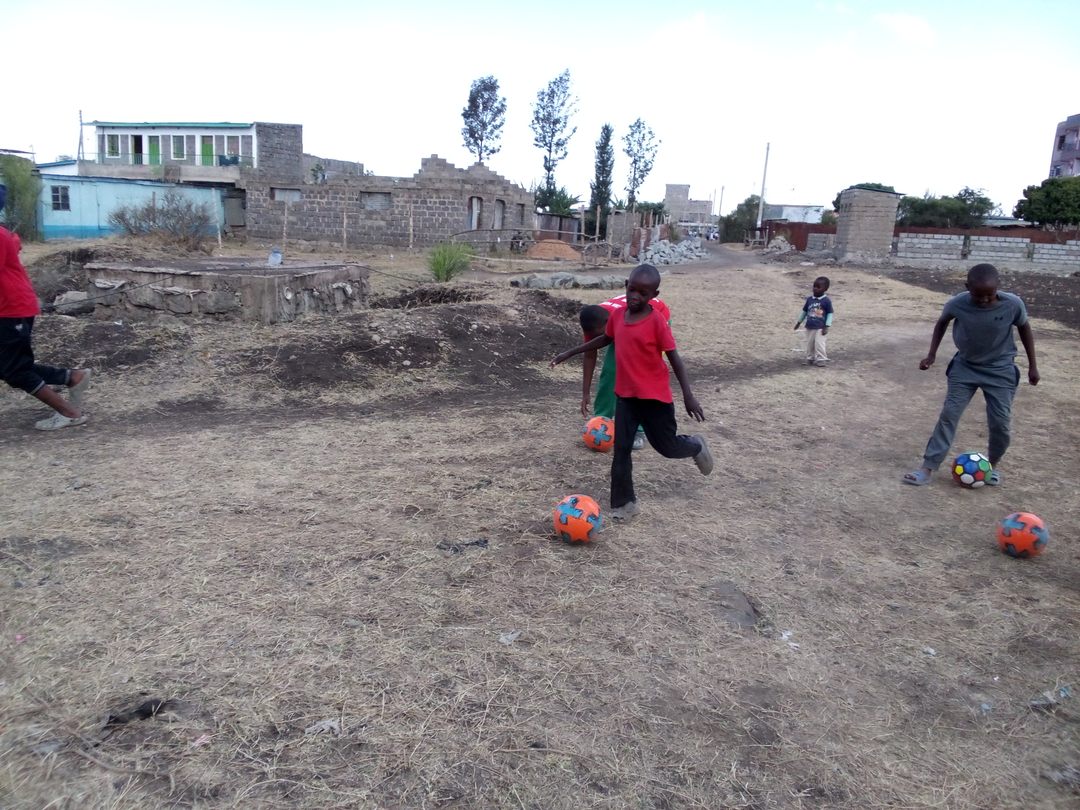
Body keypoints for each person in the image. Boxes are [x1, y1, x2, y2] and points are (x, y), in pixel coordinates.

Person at [551, 264, 713, 520]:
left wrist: (688, 396)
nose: (635, 296)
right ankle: (624, 504)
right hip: (626, 397)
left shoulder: (657, 322)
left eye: (643, 293)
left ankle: (695, 445)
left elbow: (675, 359)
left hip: (655, 399)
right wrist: (570, 352)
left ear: (653, 295)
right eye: (632, 290)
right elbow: (605, 339)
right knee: (621, 451)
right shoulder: (617, 316)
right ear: (626, 286)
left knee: (667, 447)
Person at [903, 263, 1039, 486]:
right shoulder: (957, 303)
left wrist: (1033, 366)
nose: (984, 300)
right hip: (965, 368)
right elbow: (941, 323)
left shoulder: (1013, 304)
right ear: (967, 287)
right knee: (949, 415)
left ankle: (991, 466)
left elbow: (1025, 328)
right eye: (978, 295)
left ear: (998, 286)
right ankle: (927, 468)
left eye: (990, 295)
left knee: (1000, 423)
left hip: (1000, 370)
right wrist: (931, 355)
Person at [0, 183, 91, 430]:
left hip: (10, 309)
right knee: (9, 366)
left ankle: (70, 413)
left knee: (15, 371)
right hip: (10, 307)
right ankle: (72, 377)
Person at [578, 291, 671, 450]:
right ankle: (602, 419)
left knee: (639, 376)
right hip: (622, 324)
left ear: (608, 322)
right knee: (610, 371)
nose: (598, 339)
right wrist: (585, 393)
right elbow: (589, 356)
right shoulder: (594, 322)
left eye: (600, 335)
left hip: (655, 322)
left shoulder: (629, 318)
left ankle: (639, 429)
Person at [794, 276, 833, 366]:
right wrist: (798, 322)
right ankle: (810, 358)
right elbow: (804, 312)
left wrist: (827, 326)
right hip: (810, 326)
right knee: (809, 343)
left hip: (820, 327)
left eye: (818, 287)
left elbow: (830, 314)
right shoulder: (809, 299)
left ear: (825, 289)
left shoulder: (826, 301)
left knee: (819, 343)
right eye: (814, 286)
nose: (815, 289)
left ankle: (821, 359)